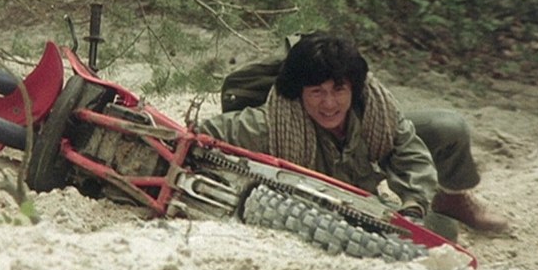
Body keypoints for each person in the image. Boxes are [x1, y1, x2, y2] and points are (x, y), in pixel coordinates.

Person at [198, 33, 509, 239]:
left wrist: (414, 205)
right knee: (443, 232)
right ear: (299, 94)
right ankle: (439, 213)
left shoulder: (375, 108)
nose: (329, 104)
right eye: (316, 92)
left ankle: (450, 197)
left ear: (354, 88)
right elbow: (205, 133)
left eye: (338, 90)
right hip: (338, 193)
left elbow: (409, 154)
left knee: (449, 128)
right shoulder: (271, 123)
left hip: (367, 159)